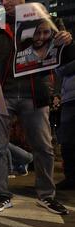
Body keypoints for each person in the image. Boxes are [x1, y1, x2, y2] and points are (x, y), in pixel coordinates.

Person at [0, 0, 71, 214]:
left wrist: (66, 39)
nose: (4, 2)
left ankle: (46, 195)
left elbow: (64, 53)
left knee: (43, 146)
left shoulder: (45, 19)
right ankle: (3, 193)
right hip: (2, 93)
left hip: (34, 93)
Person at [55, 42, 75, 189]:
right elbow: (58, 69)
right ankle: (70, 178)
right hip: (69, 98)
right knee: (67, 141)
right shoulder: (68, 46)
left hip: (69, 98)